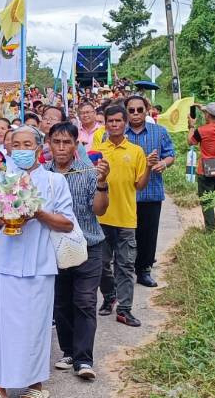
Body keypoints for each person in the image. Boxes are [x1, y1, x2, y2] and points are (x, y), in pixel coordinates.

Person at [0, 127, 77, 398]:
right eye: (15, 143)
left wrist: (38, 212)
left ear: (38, 147)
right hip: (3, 264)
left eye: (27, 143)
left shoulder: (55, 182)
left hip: (38, 264)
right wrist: (3, 213)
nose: (21, 148)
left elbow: (67, 223)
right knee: (2, 327)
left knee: (35, 326)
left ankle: (35, 384)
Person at [46, 122, 109, 379]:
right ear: (49, 144)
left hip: (88, 246)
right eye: (57, 142)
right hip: (54, 248)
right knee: (61, 302)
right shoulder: (42, 174)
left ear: (75, 145)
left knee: (84, 301)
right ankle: (68, 350)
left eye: (67, 142)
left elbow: (99, 210)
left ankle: (84, 360)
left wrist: (103, 183)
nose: (61, 147)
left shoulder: (87, 173)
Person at [96, 104, 150, 327]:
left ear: (125, 123)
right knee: (100, 264)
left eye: (119, 121)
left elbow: (140, 185)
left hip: (127, 218)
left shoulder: (136, 152)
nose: (115, 124)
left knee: (125, 265)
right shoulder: (98, 150)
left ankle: (125, 309)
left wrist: (148, 168)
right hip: (100, 218)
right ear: (106, 124)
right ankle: (109, 296)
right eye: (111, 121)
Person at [124, 95, 175, 288]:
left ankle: (144, 270)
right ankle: (125, 270)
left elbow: (170, 154)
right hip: (125, 194)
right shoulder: (119, 132)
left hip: (150, 192)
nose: (136, 114)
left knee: (148, 233)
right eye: (131, 110)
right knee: (126, 235)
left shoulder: (159, 132)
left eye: (139, 109)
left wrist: (163, 163)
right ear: (126, 111)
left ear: (147, 110)